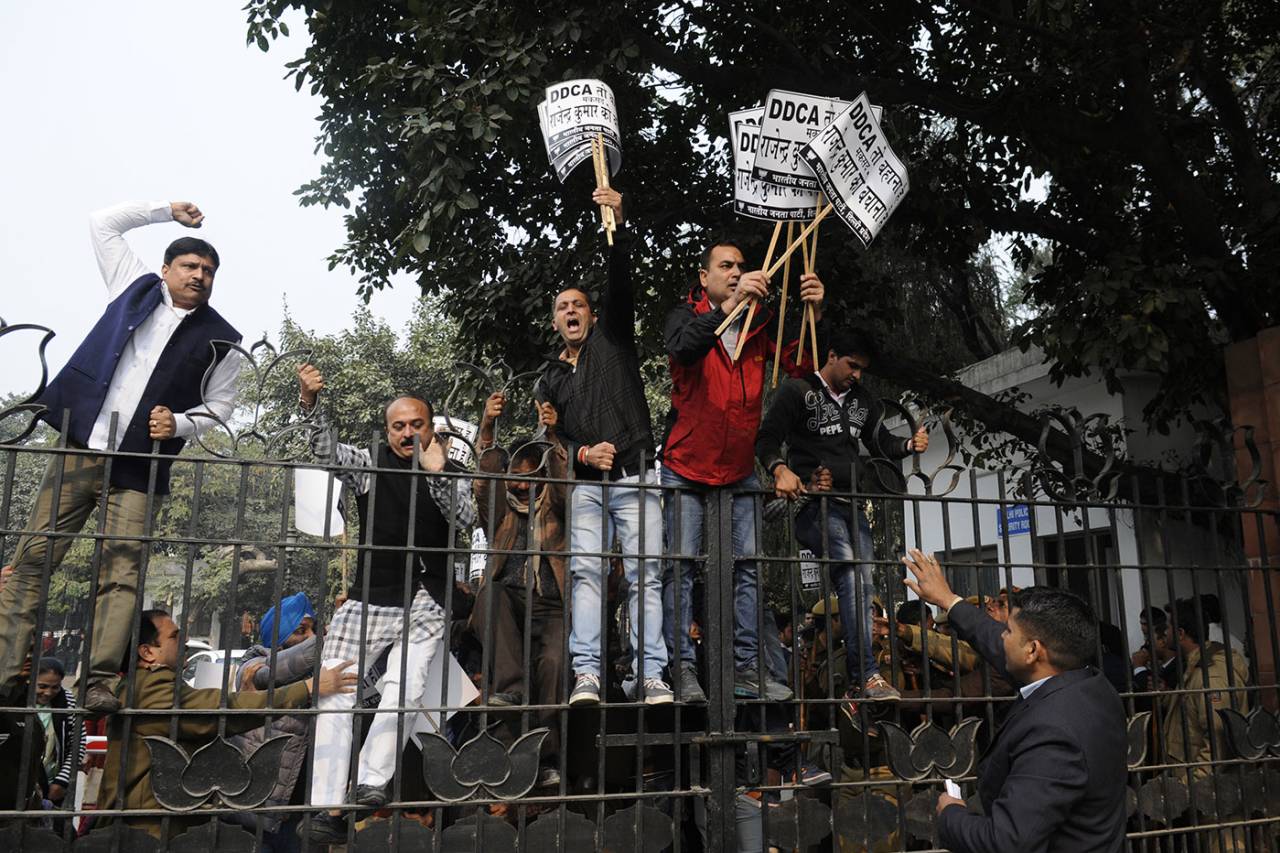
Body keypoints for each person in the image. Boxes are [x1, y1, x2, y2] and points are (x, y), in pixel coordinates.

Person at [0, 200, 242, 715]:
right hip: (78, 446)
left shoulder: (223, 339)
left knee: (122, 572)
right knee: (32, 562)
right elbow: (101, 222)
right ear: (165, 270)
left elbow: (222, 408)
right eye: (190, 266)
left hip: (137, 467)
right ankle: (5, 675)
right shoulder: (132, 286)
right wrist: (166, 211)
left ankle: (99, 681)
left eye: (208, 271)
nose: (199, 276)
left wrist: (178, 423)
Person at [295, 363, 474, 843]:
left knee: (404, 689)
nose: (408, 433)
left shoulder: (450, 468)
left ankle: (372, 783)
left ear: (431, 428)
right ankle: (328, 809)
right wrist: (312, 407)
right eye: (399, 425)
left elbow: (465, 517)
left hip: (427, 601)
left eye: (417, 424)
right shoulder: (371, 464)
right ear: (388, 429)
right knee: (336, 692)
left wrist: (437, 470)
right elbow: (328, 453)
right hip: (371, 598)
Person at [660, 238, 823, 702]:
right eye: (726, 266)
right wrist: (729, 306)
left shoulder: (762, 322)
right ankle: (683, 669)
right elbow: (684, 349)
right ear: (705, 277)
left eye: (741, 265)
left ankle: (748, 669)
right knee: (681, 569)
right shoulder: (686, 315)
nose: (736, 272)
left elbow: (803, 367)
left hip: (737, 470)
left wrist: (814, 312)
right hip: (685, 466)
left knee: (749, 570)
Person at [536, 187, 670, 706]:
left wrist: (618, 220)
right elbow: (555, 441)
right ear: (555, 322)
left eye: (579, 305)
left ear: (592, 316)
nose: (572, 311)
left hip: (637, 474)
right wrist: (582, 453)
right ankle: (587, 674)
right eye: (563, 307)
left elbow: (620, 280)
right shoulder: (547, 378)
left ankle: (650, 674)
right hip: (590, 487)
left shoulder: (613, 338)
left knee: (646, 576)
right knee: (588, 574)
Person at [900, 549, 1127, 852]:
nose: (1002, 636)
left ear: (1033, 650)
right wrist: (948, 600)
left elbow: (1007, 843)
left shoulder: (1054, 733)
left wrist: (950, 814)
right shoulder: (1090, 684)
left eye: (1008, 630)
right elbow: (993, 639)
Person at [755, 327, 928, 703]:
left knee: (862, 580)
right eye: (852, 365)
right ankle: (864, 674)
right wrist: (780, 469)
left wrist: (908, 445)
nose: (857, 374)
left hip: (851, 503)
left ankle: (863, 677)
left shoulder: (863, 400)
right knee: (850, 569)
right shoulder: (797, 391)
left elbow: (878, 442)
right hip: (813, 503)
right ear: (831, 355)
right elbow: (766, 437)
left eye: (863, 369)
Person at [97, 610, 354, 841]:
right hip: (145, 826)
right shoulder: (148, 688)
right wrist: (308, 687)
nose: (185, 641)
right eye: (175, 636)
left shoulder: (153, 684)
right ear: (147, 652)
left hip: (167, 818)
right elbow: (222, 711)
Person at [469, 391, 568, 788]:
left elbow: (562, 480)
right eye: (516, 477)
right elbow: (484, 481)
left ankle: (547, 758)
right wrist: (488, 426)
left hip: (552, 603)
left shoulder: (556, 506)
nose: (522, 486)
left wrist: (554, 434)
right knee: (488, 595)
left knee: (555, 663)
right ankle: (509, 691)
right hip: (509, 600)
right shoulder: (501, 511)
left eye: (531, 477)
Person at [229, 592, 321, 852]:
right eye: (302, 631)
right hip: (258, 808)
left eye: (313, 630)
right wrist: (333, 635)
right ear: (278, 638)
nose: (311, 638)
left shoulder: (319, 672)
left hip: (302, 807)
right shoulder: (255, 662)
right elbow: (270, 674)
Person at [34, 657, 86, 808]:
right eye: (42, 686)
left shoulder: (66, 700)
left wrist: (62, 781)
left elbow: (78, 742)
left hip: (54, 786)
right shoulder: (17, 700)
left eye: (55, 687)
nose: (48, 692)